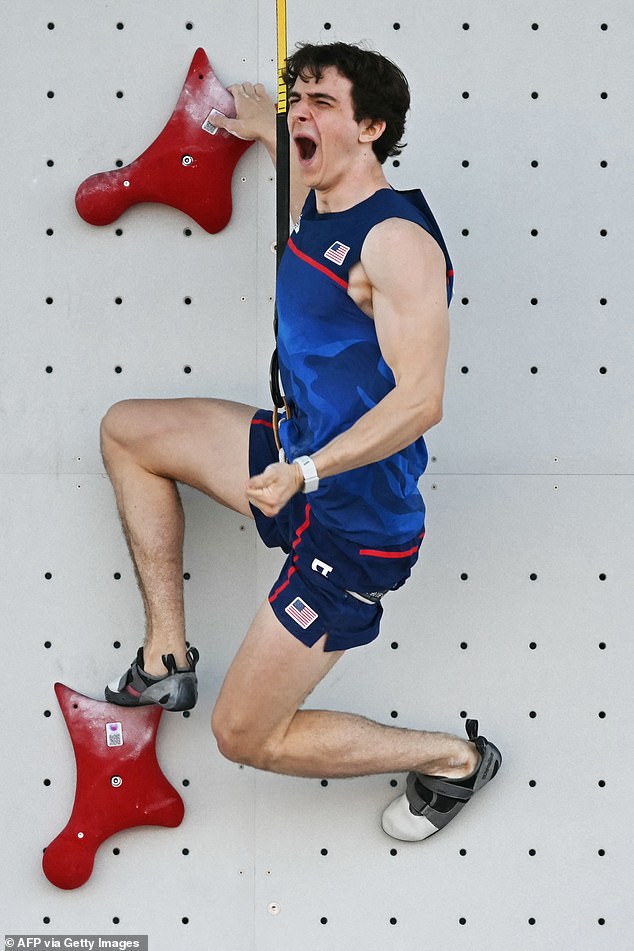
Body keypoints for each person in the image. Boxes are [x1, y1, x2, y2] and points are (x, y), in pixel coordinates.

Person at [101, 41, 500, 841]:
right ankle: (166, 657)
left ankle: (457, 758)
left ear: (373, 127)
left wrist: (310, 470)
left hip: (354, 523)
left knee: (241, 734)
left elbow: (424, 400)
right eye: (299, 98)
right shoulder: (316, 195)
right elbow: (283, 142)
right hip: (289, 460)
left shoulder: (397, 244)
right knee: (128, 432)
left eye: (322, 102)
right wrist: (260, 120)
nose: (301, 114)